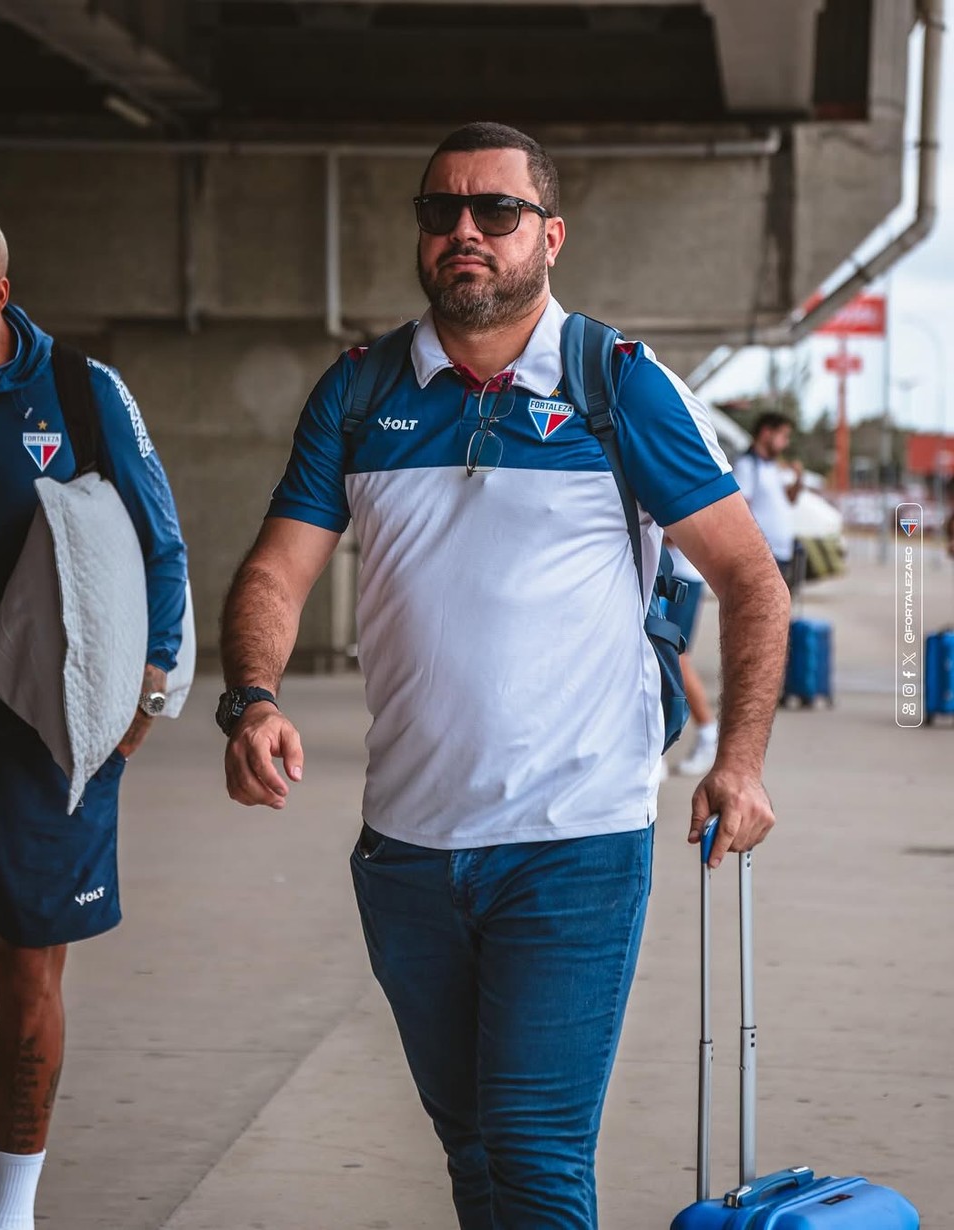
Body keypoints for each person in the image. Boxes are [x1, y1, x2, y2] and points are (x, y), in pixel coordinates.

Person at [219, 122, 790, 1229]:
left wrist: (743, 760)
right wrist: (252, 697)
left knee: (531, 1153)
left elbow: (750, 580)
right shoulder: (358, 392)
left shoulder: (616, 384)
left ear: (550, 236)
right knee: (472, 1152)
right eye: (443, 212)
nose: (466, 231)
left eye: (496, 211)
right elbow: (274, 575)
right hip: (407, 853)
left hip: (572, 840)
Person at [0, 205, 188, 1230]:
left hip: (42, 725)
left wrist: (147, 692)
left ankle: (12, 1210)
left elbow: (162, 546)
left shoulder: (79, 394)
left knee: (27, 967)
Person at [731, 411, 804, 591]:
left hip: (781, 553)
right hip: (763, 557)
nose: (786, 443)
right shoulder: (747, 466)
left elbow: (790, 499)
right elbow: (741, 512)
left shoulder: (773, 467)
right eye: (783, 436)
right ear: (766, 433)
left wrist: (799, 478)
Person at [664, 540, 719, 777]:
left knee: (674, 658)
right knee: (664, 659)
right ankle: (657, 752)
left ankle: (708, 733)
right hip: (672, 574)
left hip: (680, 576)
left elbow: (672, 535)